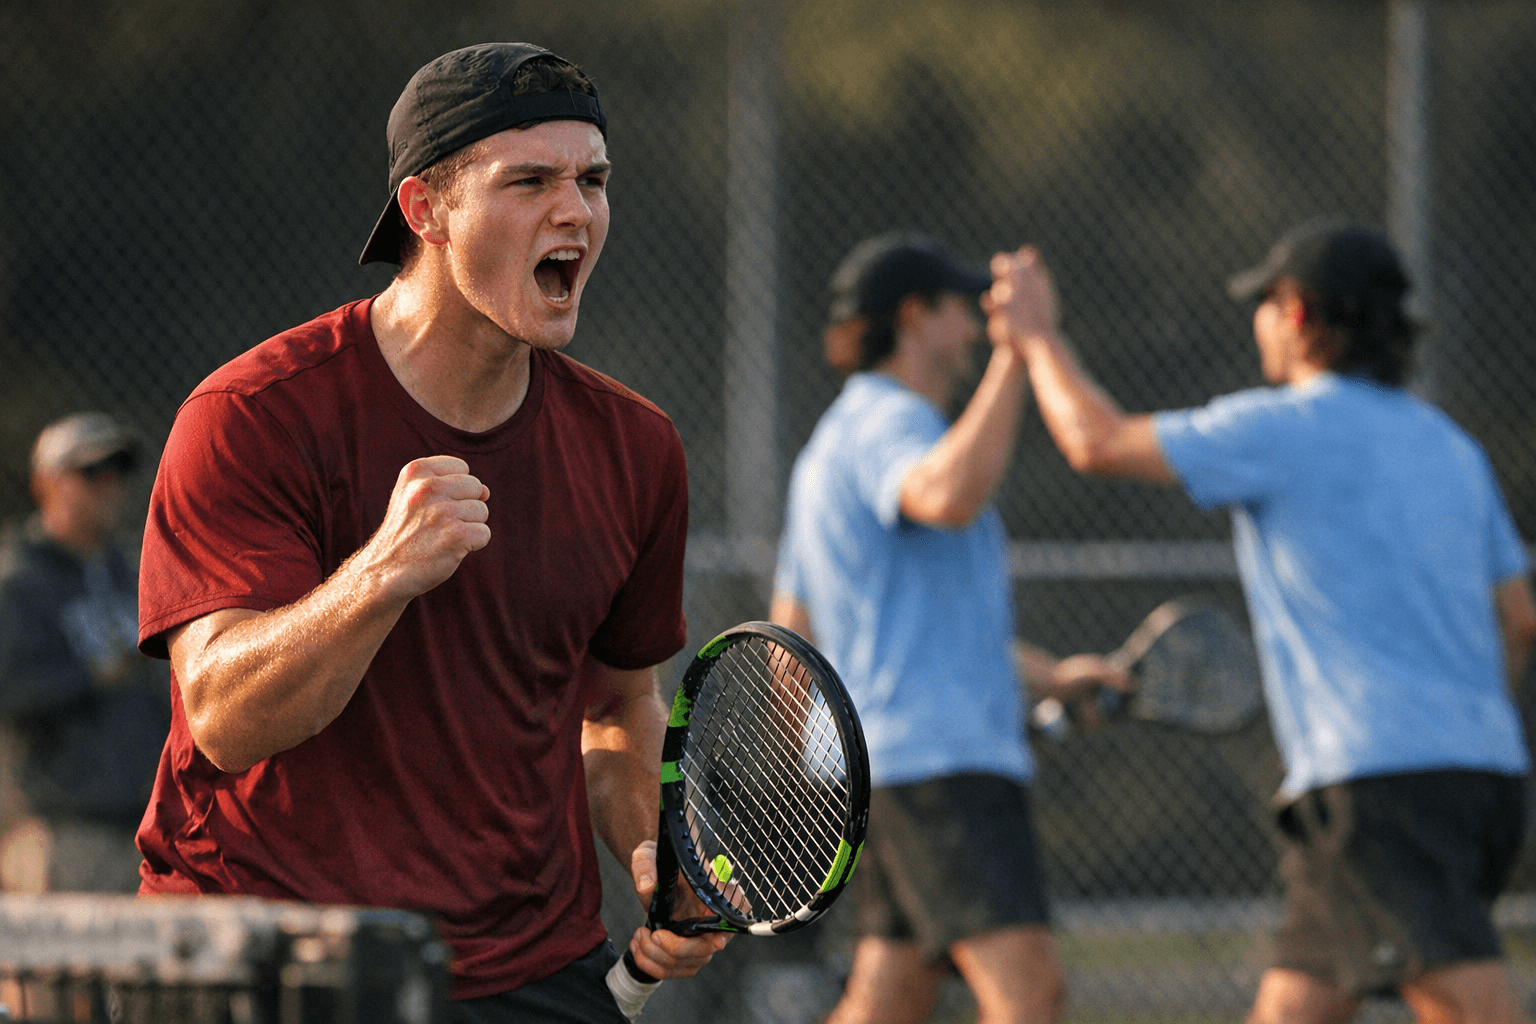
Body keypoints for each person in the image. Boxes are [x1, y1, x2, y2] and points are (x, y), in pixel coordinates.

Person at [135, 42, 723, 1022]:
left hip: (531, 969)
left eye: (592, 179)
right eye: (528, 180)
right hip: (268, 958)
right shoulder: (251, 415)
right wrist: (380, 575)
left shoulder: (637, 448)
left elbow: (620, 707)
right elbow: (225, 720)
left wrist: (655, 846)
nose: (574, 210)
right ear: (425, 210)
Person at [985, 220, 1536, 1024]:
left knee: (1470, 1004)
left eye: (1267, 303)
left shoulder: (1285, 428)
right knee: (1293, 1008)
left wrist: (1037, 339)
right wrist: (1458, 724)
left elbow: (1094, 439)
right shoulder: (1453, 449)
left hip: (1376, 782)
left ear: (1301, 315)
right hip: (1484, 777)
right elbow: (1517, 620)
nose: (1261, 322)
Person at [770, 233, 1129, 1024]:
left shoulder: (826, 449)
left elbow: (793, 643)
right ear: (915, 317)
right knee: (1028, 991)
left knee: (885, 1001)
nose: (973, 330)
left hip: (893, 768)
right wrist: (1022, 352)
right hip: (940, 767)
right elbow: (948, 495)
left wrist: (1051, 676)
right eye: (962, 313)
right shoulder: (889, 427)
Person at [0, 411, 167, 897]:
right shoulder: (18, 581)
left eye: (116, 473)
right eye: (90, 473)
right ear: (44, 484)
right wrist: (93, 676)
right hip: (58, 827)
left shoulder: (129, 570)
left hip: (141, 824)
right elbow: (10, 693)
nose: (108, 487)